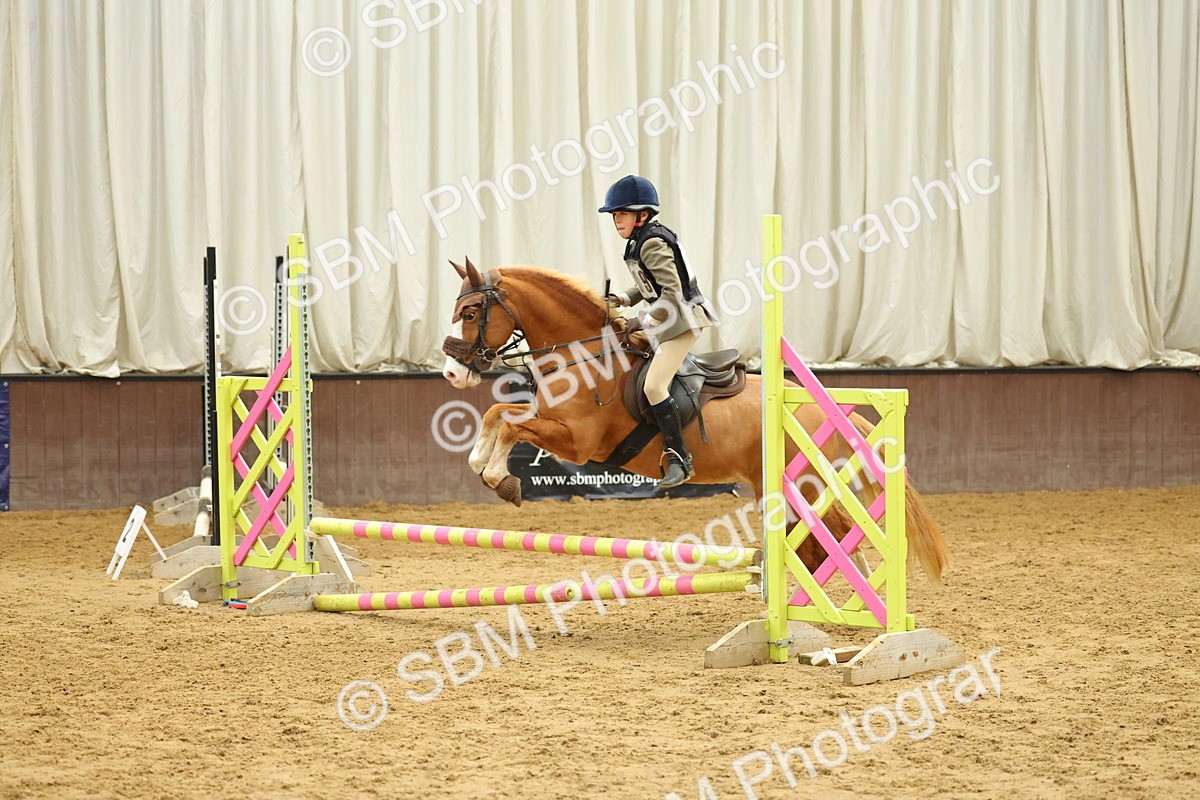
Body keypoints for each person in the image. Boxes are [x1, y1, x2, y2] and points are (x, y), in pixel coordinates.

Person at [599, 174, 720, 488]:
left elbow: (670, 293)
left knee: (654, 386)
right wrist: (624, 298)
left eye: (621, 214)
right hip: (667, 319)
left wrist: (640, 321)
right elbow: (648, 285)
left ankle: (680, 459)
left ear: (642, 214)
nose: (616, 220)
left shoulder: (651, 242)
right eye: (614, 215)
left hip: (681, 321)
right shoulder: (640, 240)